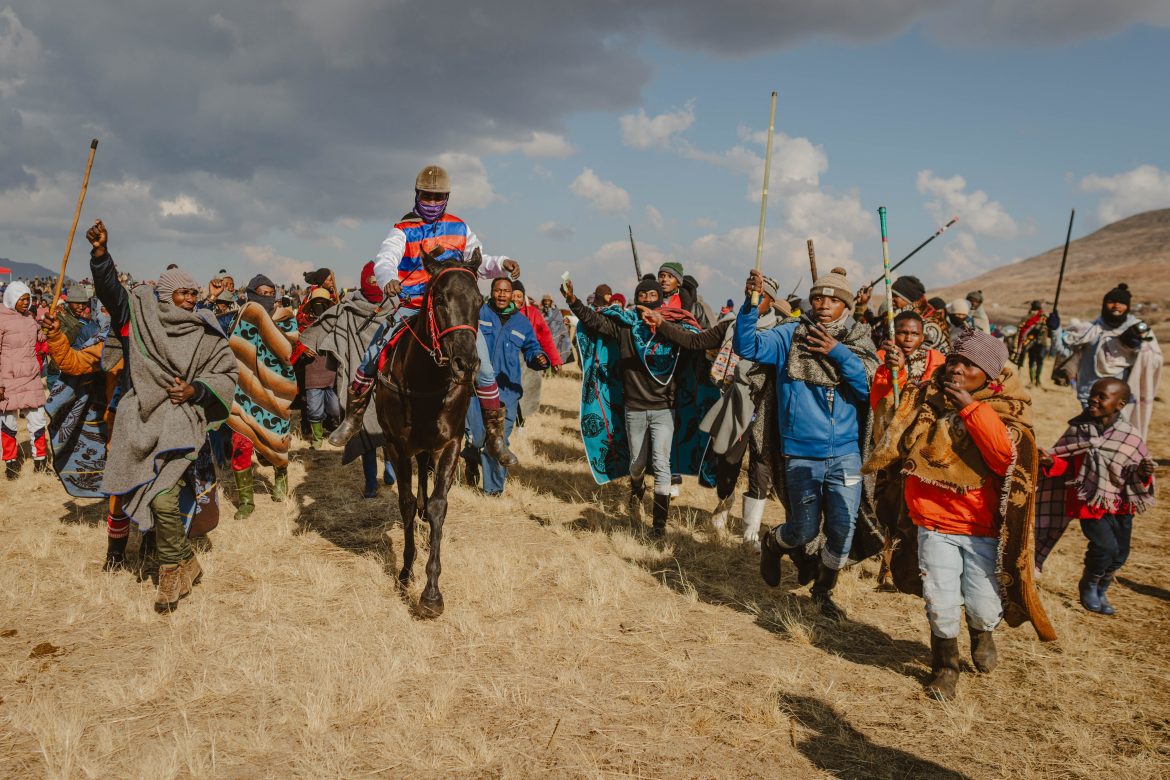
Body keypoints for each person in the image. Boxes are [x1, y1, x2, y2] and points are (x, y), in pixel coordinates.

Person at [865, 330, 1055, 700]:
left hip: (980, 527)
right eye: (954, 360)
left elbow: (1005, 458)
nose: (957, 369)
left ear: (990, 375)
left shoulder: (1005, 408)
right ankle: (945, 667)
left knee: (983, 605)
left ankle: (982, 633)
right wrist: (893, 375)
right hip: (932, 521)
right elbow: (887, 421)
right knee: (941, 600)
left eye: (970, 364)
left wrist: (969, 409)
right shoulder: (925, 396)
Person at [88, 220, 238, 613]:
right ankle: (187, 561)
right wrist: (101, 255)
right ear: (168, 296)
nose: (191, 299)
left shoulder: (205, 330)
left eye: (194, 293)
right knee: (147, 496)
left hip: (181, 423)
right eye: (184, 293)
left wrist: (196, 390)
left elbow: (226, 373)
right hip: (140, 422)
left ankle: (170, 571)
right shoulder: (140, 320)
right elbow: (111, 293)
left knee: (163, 497)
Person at [329, 165, 522, 468]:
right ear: (417, 195)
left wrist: (502, 263)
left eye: (438, 197)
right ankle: (352, 419)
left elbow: (478, 260)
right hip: (414, 304)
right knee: (372, 355)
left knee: (484, 368)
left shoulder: (459, 227)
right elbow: (386, 258)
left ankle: (495, 436)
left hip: (450, 310)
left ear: (446, 198)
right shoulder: (402, 229)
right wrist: (388, 278)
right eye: (427, 197)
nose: (432, 202)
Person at [739, 267, 879, 617]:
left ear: (846, 305)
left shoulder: (858, 339)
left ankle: (823, 591)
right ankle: (774, 543)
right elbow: (748, 345)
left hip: (846, 454)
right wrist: (750, 306)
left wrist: (838, 352)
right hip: (800, 452)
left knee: (842, 529)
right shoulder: (790, 335)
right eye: (818, 298)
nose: (824, 305)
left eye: (833, 299)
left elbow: (869, 389)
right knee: (802, 529)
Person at [644, 274, 790, 546]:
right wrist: (662, 324)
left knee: (760, 467)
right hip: (734, 404)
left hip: (767, 409)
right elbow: (694, 341)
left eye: (760, 296)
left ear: (771, 301)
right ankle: (725, 500)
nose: (754, 299)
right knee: (727, 463)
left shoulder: (781, 332)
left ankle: (750, 533)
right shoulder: (731, 326)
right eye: (751, 294)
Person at [567, 277, 692, 537]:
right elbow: (595, 321)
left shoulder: (670, 328)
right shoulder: (624, 328)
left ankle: (658, 526)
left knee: (662, 464)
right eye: (642, 296)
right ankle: (636, 489)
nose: (647, 300)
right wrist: (573, 302)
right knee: (636, 464)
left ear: (660, 300)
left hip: (664, 409)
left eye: (652, 296)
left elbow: (695, 341)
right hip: (634, 408)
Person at [1035, 378, 1156, 615]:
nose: (1094, 399)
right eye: (1093, 394)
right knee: (1104, 547)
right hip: (1088, 502)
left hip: (1120, 505)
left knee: (1120, 554)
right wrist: (1050, 462)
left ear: (1120, 404)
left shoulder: (1130, 436)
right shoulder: (1078, 430)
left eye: (1102, 397)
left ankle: (1102, 587)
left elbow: (1134, 473)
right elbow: (1068, 465)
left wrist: (1143, 473)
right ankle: (1089, 583)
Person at [299, 261, 397, 498]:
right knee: (363, 430)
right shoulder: (348, 309)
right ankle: (370, 482)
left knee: (390, 428)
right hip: (358, 378)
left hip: (389, 378)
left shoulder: (395, 307)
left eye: (377, 283)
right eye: (370, 283)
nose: (374, 288)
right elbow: (325, 325)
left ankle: (391, 470)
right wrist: (308, 342)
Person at [464, 278, 548, 495]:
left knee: (498, 440)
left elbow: (532, 348)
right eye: (497, 290)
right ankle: (471, 456)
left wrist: (538, 357)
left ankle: (493, 491)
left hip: (506, 393)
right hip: (476, 389)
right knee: (477, 437)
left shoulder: (522, 323)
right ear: (492, 292)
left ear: (513, 294)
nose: (502, 294)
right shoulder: (479, 313)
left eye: (506, 291)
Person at [224, 275, 299, 518]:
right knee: (241, 442)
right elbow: (232, 347)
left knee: (277, 439)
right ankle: (246, 500)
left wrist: (265, 322)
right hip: (244, 390)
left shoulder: (286, 317)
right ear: (251, 294)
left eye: (270, 293)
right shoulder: (242, 316)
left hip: (275, 390)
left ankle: (281, 476)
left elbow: (288, 348)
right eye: (261, 294)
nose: (266, 298)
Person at [1049, 283, 1163, 437]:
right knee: (1092, 435)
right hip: (1090, 395)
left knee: (1116, 437)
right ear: (1104, 304)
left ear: (1128, 307)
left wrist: (1137, 347)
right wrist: (1055, 330)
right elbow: (1064, 351)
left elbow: (1154, 358)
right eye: (1112, 301)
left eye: (1121, 303)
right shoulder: (1090, 329)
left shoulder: (1138, 330)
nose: (1116, 306)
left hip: (1121, 400)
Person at [0, 281, 49, 478]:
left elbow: (42, 337)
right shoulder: (1, 319)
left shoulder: (30, 318)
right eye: (22, 299)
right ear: (12, 298)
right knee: (8, 424)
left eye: (28, 299)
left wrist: (49, 328)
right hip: (7, 379)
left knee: (38, 421)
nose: (26, 303)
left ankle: (40, 462)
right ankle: (11, 465)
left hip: (31, 377)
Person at [856, 275, 950, 354]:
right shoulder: (896, 317)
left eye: (895, 296)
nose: (891, 300)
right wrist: (862, 305)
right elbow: (873, 328)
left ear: (908, 299)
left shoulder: (930, 323)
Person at [512, 281, 563, 422]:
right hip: (509, 357)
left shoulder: (533, 313)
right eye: (513, 295)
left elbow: (545, 336)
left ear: (524, 297)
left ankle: (521, 423)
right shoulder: (502, 313)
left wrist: (555, 360)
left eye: (519, 296)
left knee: (527, 393)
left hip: (529, 359)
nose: (516, 299)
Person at [1012, 300, 1049, 388]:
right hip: (1040, 343)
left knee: (1032, 361)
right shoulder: (1045, 317)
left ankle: (1033, 381)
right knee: (1039, 362)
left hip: (1031, 343)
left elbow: (1020, 328)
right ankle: (1037, 381)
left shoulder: (1029, 317)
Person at [540, 293, 573, 366]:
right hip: (547, 334)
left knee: (558, 351)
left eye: (548, 301)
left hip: (557, 333)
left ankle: (558, 366)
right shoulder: (541, 311)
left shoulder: (556, 310)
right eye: (545, 301)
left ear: (551, 301)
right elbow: (541, 321)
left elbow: (559, 320)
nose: (546, 302)